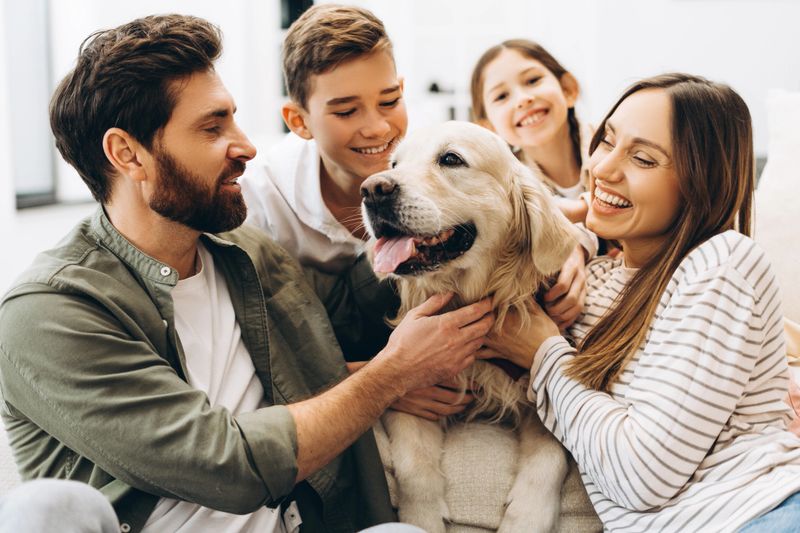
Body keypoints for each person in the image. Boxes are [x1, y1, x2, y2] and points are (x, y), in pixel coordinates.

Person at [0, 14, 495, 533]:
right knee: (46, 509)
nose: (247, 146)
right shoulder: (51, 312)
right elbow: (224, 465)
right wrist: (391, 375)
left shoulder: (248, 253)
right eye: (213, 128)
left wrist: (541, 231)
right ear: (128, 154)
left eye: (233, 119)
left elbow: (355, 306)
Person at [482, 73, 800, 532]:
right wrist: (570, 233)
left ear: (699, 183)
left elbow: (643, 477)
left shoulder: (722, 262)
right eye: (605, 140)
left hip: (760, 513)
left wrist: (543, 353)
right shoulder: (591, 284)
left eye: (644, 158)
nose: (604, 168)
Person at [470, 39, 601, 325]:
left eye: (532, 80)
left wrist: (577, 243)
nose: (522, 99)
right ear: (489, 130)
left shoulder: (607, 146)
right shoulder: (506, 187)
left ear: (568, 90)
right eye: (501, 97)